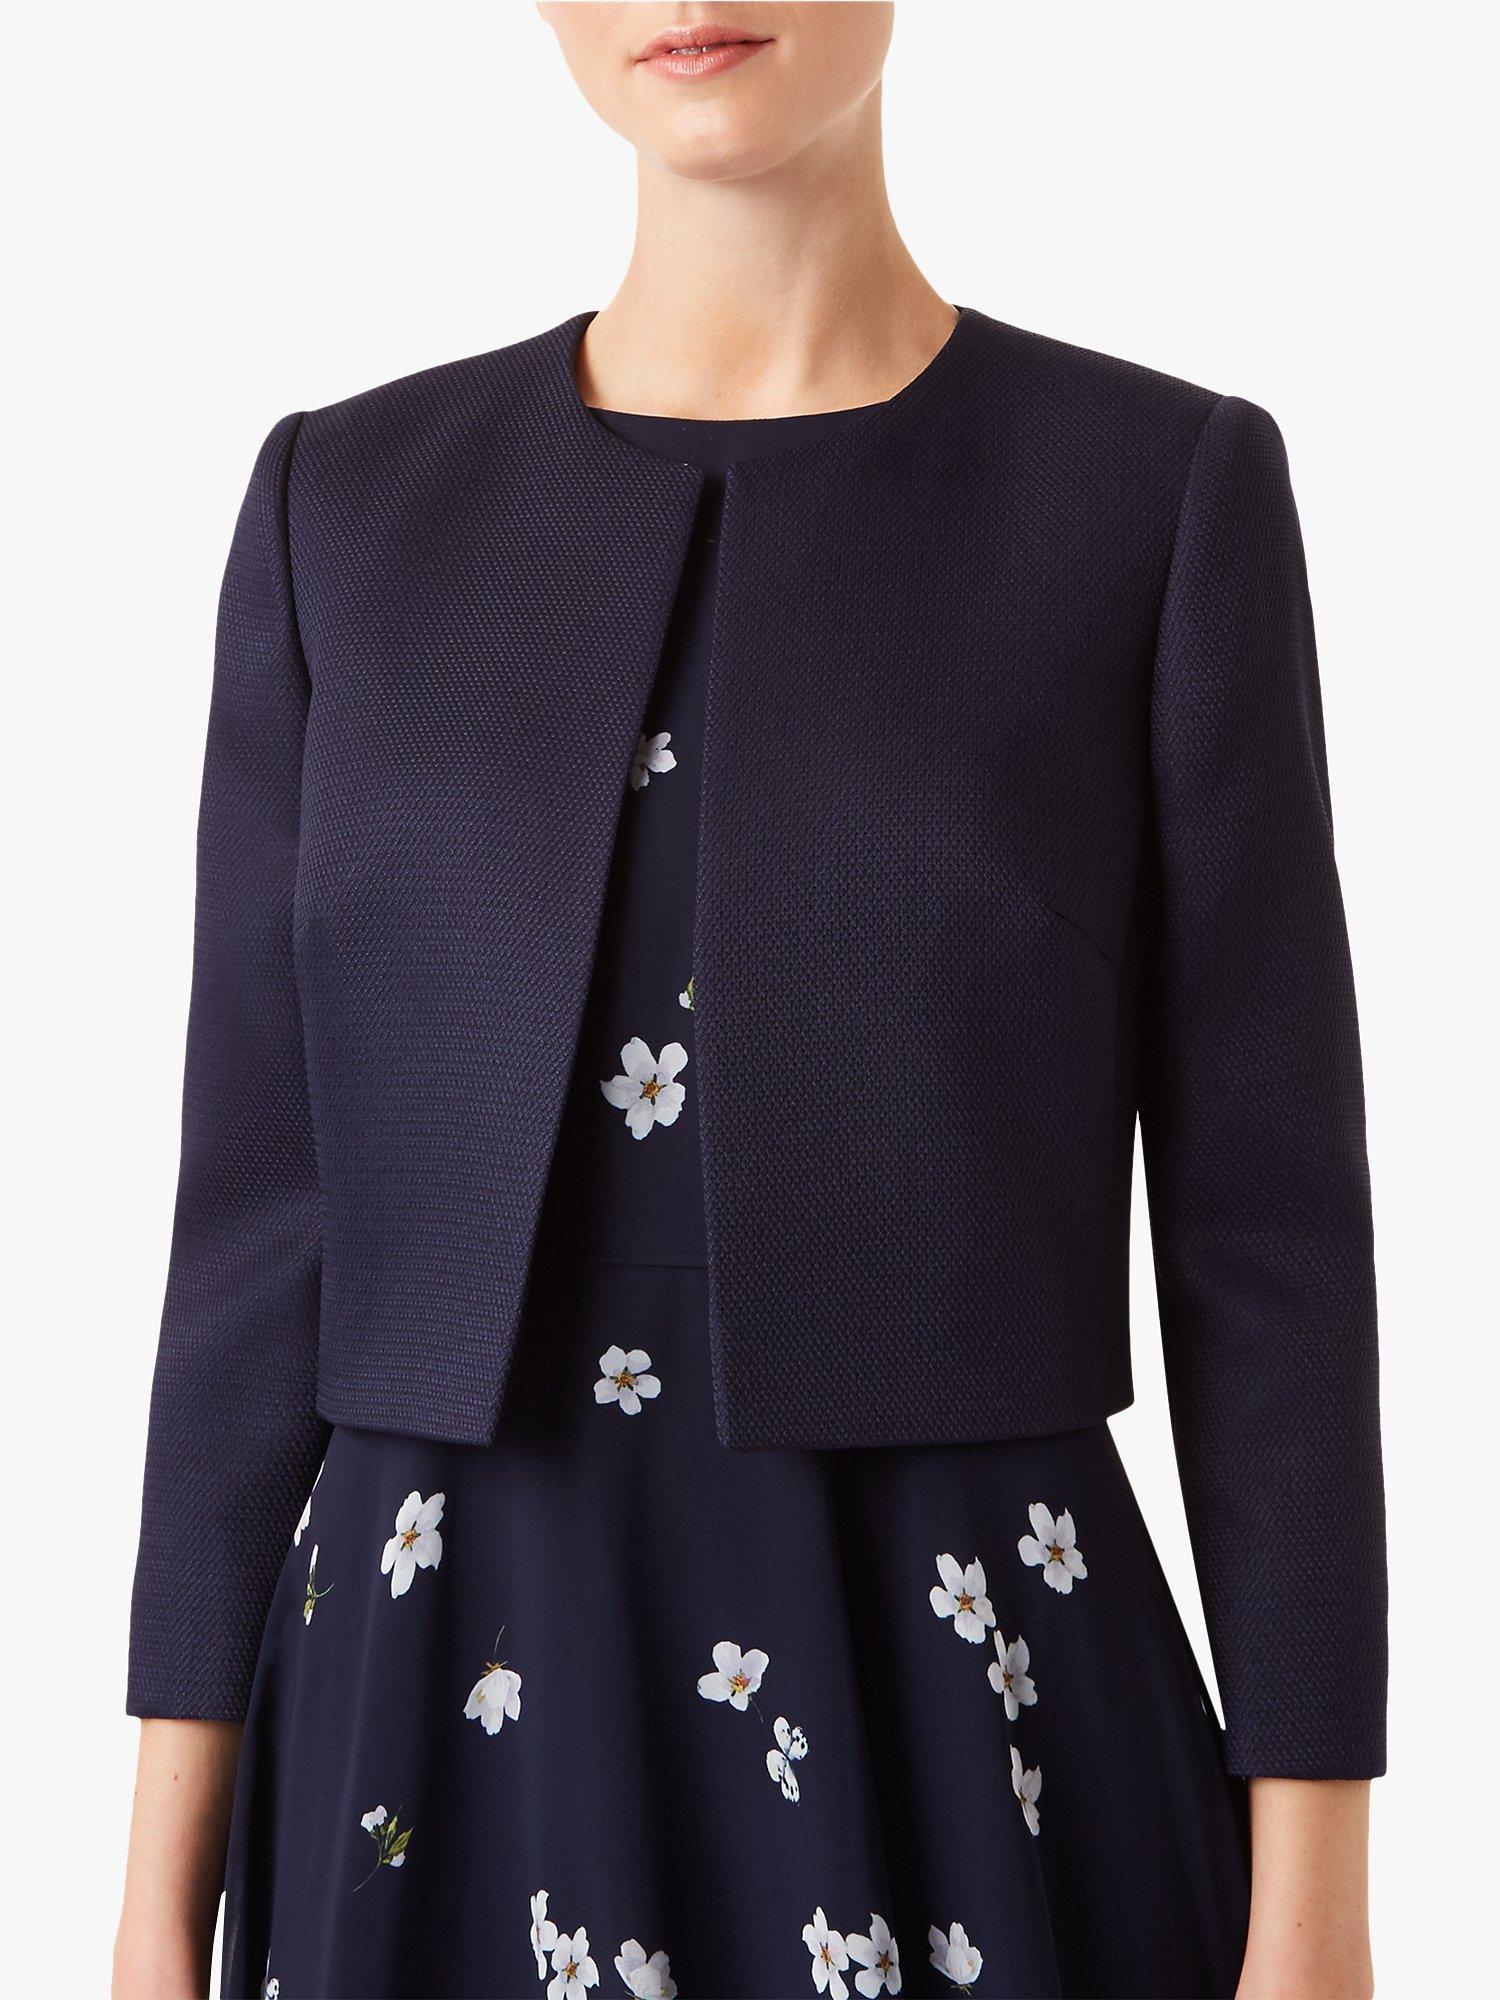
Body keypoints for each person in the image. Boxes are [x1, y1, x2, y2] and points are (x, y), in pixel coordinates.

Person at [114, 7, 1386, 1997]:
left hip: (969, 1719)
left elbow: (1272, 1252)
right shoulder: (338, 508)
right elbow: (257, 1233)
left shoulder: (1156, 495)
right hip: (430, 1735)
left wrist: (1316, 1913)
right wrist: (150, 1907)